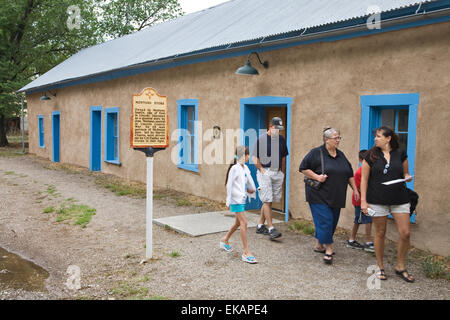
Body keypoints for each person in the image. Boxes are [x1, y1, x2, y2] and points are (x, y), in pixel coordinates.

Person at [360, 126, 415, 282]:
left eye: (378, 136)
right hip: (377, 200)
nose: (375, 139)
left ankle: (400, 266)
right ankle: (380, 266)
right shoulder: (370, 156)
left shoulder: (401, 154)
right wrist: (363, 201)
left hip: (400, 198)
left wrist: (407, 176)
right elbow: (364, 179)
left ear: (388, 138)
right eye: (375, 136)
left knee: (405, 233)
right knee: (380, 233)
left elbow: (405, 172)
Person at [299, 127, 359, 265]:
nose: (338, 140)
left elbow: (349, 174)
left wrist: (355, 189)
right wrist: (317, 177)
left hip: (337, 195)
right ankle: (329, 249)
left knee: (331, 222)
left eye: (339, 138)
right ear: (326, 139)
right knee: (325, 220)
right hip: (318, 195)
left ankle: (319, 245)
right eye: (335, 138)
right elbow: (303, 168)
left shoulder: (341, 155)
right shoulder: (316, 153)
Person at [251, 117, 288, 240]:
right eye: (277, 129)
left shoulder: (281, 140)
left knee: (270, 200)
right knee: (267, 200)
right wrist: (262, 171)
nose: (278, 131)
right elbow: (255, 158)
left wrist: (282, 172)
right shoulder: (261, 140)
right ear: (271, 127)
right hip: (265, 172)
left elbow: (283, 157)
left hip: (277, 172)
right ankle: (271, 228)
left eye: (280, 129)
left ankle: (260, 225)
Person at [221, 146, 258, 264]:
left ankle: (225, 240)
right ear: (244, 155)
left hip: (241, 199)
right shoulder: (235, 169)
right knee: (244, 223)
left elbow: (242, 184)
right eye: (248, 155)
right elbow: (229, 185)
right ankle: (246, 252)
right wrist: (228, 200)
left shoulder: (245, 168)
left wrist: (250, 190)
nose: (249, 157)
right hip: (236, 200)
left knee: (238, 223)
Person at [347, 149, 374, 252]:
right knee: (367, 220)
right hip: (360, 201)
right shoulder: (359, 173)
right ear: (360, 160)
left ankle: (351, 239)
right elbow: (358, 188)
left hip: (365, 200)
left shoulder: (367, 170)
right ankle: (368, 242)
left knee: (359, 220)